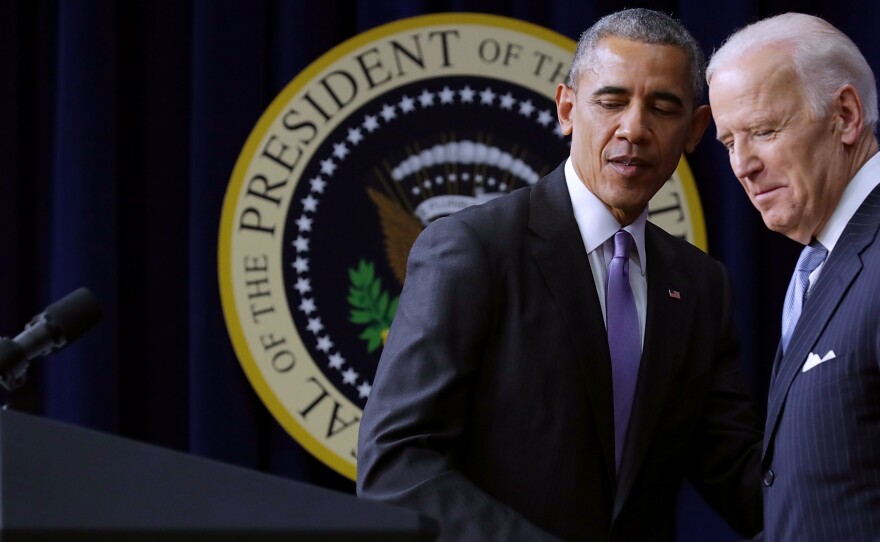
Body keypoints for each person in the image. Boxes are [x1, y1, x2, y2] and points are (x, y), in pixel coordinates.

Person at [357, 8, 763, 541]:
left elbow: (737, 470)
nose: (634, 128)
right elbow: (396, 464)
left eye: (662, 108)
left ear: (694, 130)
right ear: (567, 108)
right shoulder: (474, 248)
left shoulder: (701, 285)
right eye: (611, 101)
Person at [707, 12, 880, 542]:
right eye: (729, 142)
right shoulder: (820, 261)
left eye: (763, 131)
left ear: (845, 115)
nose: (743, 165)